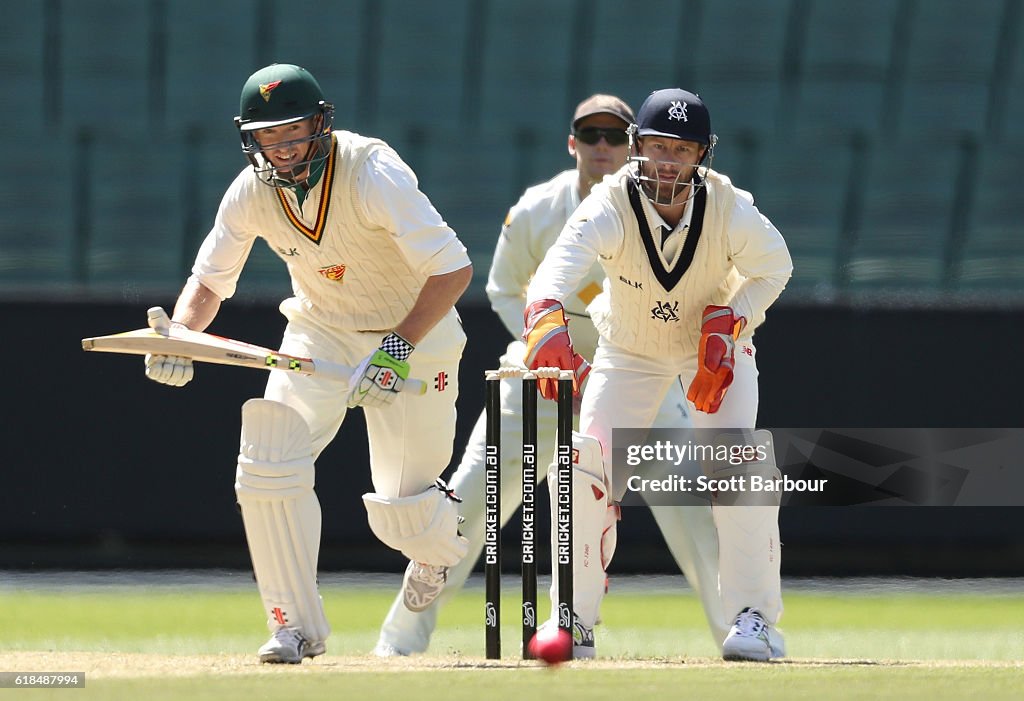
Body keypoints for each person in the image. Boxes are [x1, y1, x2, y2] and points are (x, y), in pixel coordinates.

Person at [374, 94, 728, 658]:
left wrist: (618, 363)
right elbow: (503, 289)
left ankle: (739, 634)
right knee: (467, 505)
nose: (604, 147)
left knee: (696, 512)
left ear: (633, 144)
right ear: (574, 144)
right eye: (593, 135)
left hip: (641, 376)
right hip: (540, 382)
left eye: (616, 135)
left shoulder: (679, 212)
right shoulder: (538, 209)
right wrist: (551, 350)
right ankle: (400, 640)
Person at [143, 63, 473, 663]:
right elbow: (209, 282)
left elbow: (453, 270)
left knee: (404, 509)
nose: (283, 149)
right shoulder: (250, 192)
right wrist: (182, 339)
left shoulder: (373, 172)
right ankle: (293, 627)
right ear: (252, 140)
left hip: (414, 335)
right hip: (319, 331)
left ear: (321, 125)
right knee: (266, 462)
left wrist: (396, 348)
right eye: (269, 137)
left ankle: (434, 548)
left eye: (293, 132)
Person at [522, 88, 793, 661]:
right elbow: (554, 273)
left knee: (736, 463)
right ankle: (574, 617)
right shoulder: (609, 204)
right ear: (635, 148)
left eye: (683, 148)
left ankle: (755, 620)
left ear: (702, 155)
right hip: (630, 349)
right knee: (584, 464)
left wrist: (733, 323)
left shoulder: (729, 208)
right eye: (657, 146)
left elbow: (776, 267)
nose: (669, 160)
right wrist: (545, 323)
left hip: (710, 350)